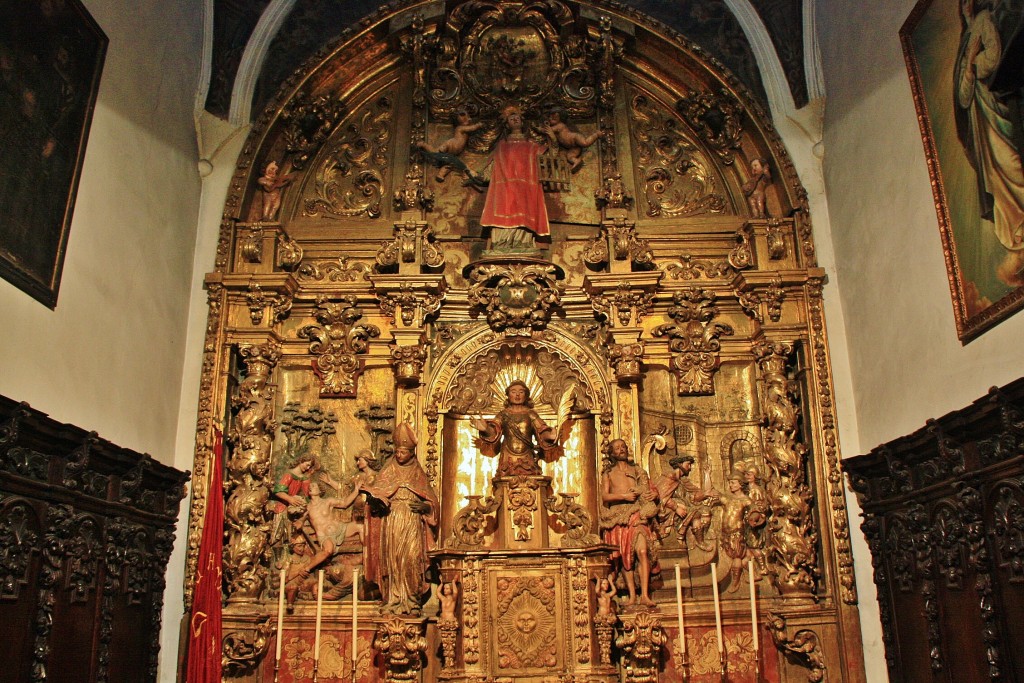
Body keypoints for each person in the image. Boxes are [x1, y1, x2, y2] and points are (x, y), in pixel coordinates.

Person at [955, 0, 1024, 252]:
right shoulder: (966, 39)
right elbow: (962, 96)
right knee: (994, 173)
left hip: (992, 107)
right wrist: (968, 72)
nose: (966, 6)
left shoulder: (984, 19)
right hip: (978, 116)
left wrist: (973, 65)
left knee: (1010, 160)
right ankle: (1015, 230)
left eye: (968, 1)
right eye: (962, 3)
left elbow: (994, 56)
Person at [361, 423, 440, 614]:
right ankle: (393, 599)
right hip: (392, 519)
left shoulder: (418, 473)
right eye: (397, 451)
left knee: (412, 558)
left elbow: (432, 501)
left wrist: (425, 507)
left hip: (412, 520)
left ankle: (412, 600)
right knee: (393, 559)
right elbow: (377, 495)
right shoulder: (388, 471)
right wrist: (374, 499)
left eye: (403, 452)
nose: (399, 455)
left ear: (412, 452)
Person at [479, 105, 550, 251]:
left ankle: (522, 243)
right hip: (504, 186)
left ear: (522, 121)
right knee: (504, 209)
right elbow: (490, 168)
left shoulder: (531, 145)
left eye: (517, 117)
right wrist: (477, 174)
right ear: (507, 124)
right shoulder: (501, 145)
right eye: (511, 118)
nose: (515, 120)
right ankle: (502, 243)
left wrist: (553, 139)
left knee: (524, 213)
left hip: (526, 186)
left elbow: (549, 159)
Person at [599, 439, 660, 606]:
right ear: (611, 453)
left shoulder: (637, 470)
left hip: (637, 513)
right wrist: (623, 496)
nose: (621, 450)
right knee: (626, 557)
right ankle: (633, 596)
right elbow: (605, 496)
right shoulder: (608, 474)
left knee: (642, 550)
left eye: (623, 447)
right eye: (617, 448)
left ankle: (645, 595)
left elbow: (650, 489)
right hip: (618, 517)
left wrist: (653, 495)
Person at [472, 380, 561, 477]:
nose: (517, 395)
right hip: (508, 458)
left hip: (527, 458)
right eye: (513, 392)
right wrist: (485, 429)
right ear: (508, 395)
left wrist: (550, 436)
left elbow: (541, 430)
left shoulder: (530, 414)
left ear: (526, 395)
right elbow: (494, 430)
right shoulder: (503, 414)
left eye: (521, 392)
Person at [416, 107, 484, 181]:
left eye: (467, 116)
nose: (466, 117)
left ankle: (440, 175)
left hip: (454, 152)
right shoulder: (460, 128)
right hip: (450, 144)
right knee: (436, 152)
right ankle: (423, 144)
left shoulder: (464, 127)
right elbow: (472, 128)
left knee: (450, 164)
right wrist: (478, 125)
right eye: (462, 115)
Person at [543, 107, 601, 172]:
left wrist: (539, 128)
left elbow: (546, 130)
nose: (550, 119)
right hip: (572, 147)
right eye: (550, 117)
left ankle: (596, 134)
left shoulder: (560, 125)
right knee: (569, 156)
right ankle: (576, 161)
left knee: (585, 143)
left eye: (554, 118)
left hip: (575, 138)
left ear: (561, 119)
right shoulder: (554, 128)